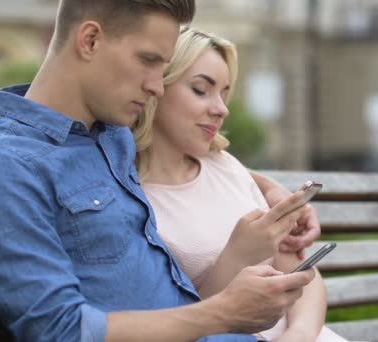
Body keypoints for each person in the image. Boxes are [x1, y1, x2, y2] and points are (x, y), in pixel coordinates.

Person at [0, 1, 318, 341]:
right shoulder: (1, 169)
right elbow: (62, 331)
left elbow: (190, 159)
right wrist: (221, 312)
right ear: (90, 40)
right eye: (148, 60)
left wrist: (271, 189)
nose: (157, 86)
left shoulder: (110, 136)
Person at [133, 27, 349, 341]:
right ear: (156, 87)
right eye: (200, 89)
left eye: (223, 92)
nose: (222, 108)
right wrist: (237, 255)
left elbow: (303, 273)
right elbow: (187, 323)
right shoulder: (130, 195)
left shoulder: (225, 167)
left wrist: (299, 334)